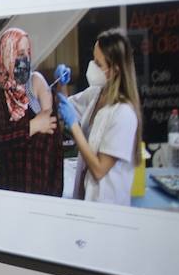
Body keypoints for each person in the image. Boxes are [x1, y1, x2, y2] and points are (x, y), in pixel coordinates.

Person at [56, 28, 143, 205]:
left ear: (115, 70)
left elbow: (99, 169)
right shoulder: (96, 94)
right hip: (86, 198)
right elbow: (65, 106)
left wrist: (74, 126)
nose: (92, 66)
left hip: (108, 204)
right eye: (93, 60)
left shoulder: (124, 114)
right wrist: (61, 85)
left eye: (98, 63)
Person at [0, 27, 61, 195]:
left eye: (28, 52)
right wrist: (33, 126)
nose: (25, 59)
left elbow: (55, 148)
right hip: (9, 189)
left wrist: (56, 193)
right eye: (20, 54)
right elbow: (0, 139)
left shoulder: (37, 85)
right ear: (7, 54)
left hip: (41, 191)